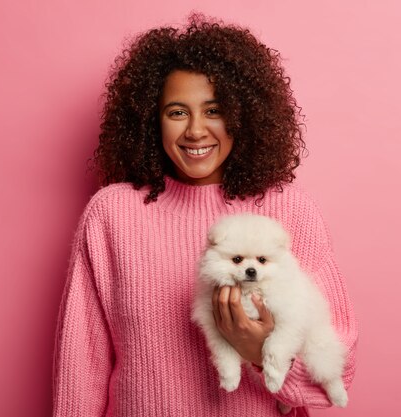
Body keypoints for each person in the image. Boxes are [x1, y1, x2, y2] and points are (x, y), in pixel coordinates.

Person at [52, 14, 358, 417]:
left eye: (213, 110)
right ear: (150, 120)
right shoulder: (113, 214)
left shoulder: (287, 209)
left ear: (242, 116)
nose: (196, 130)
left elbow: (339, 371)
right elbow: (82, 358)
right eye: (177, 112)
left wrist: (255, 348)